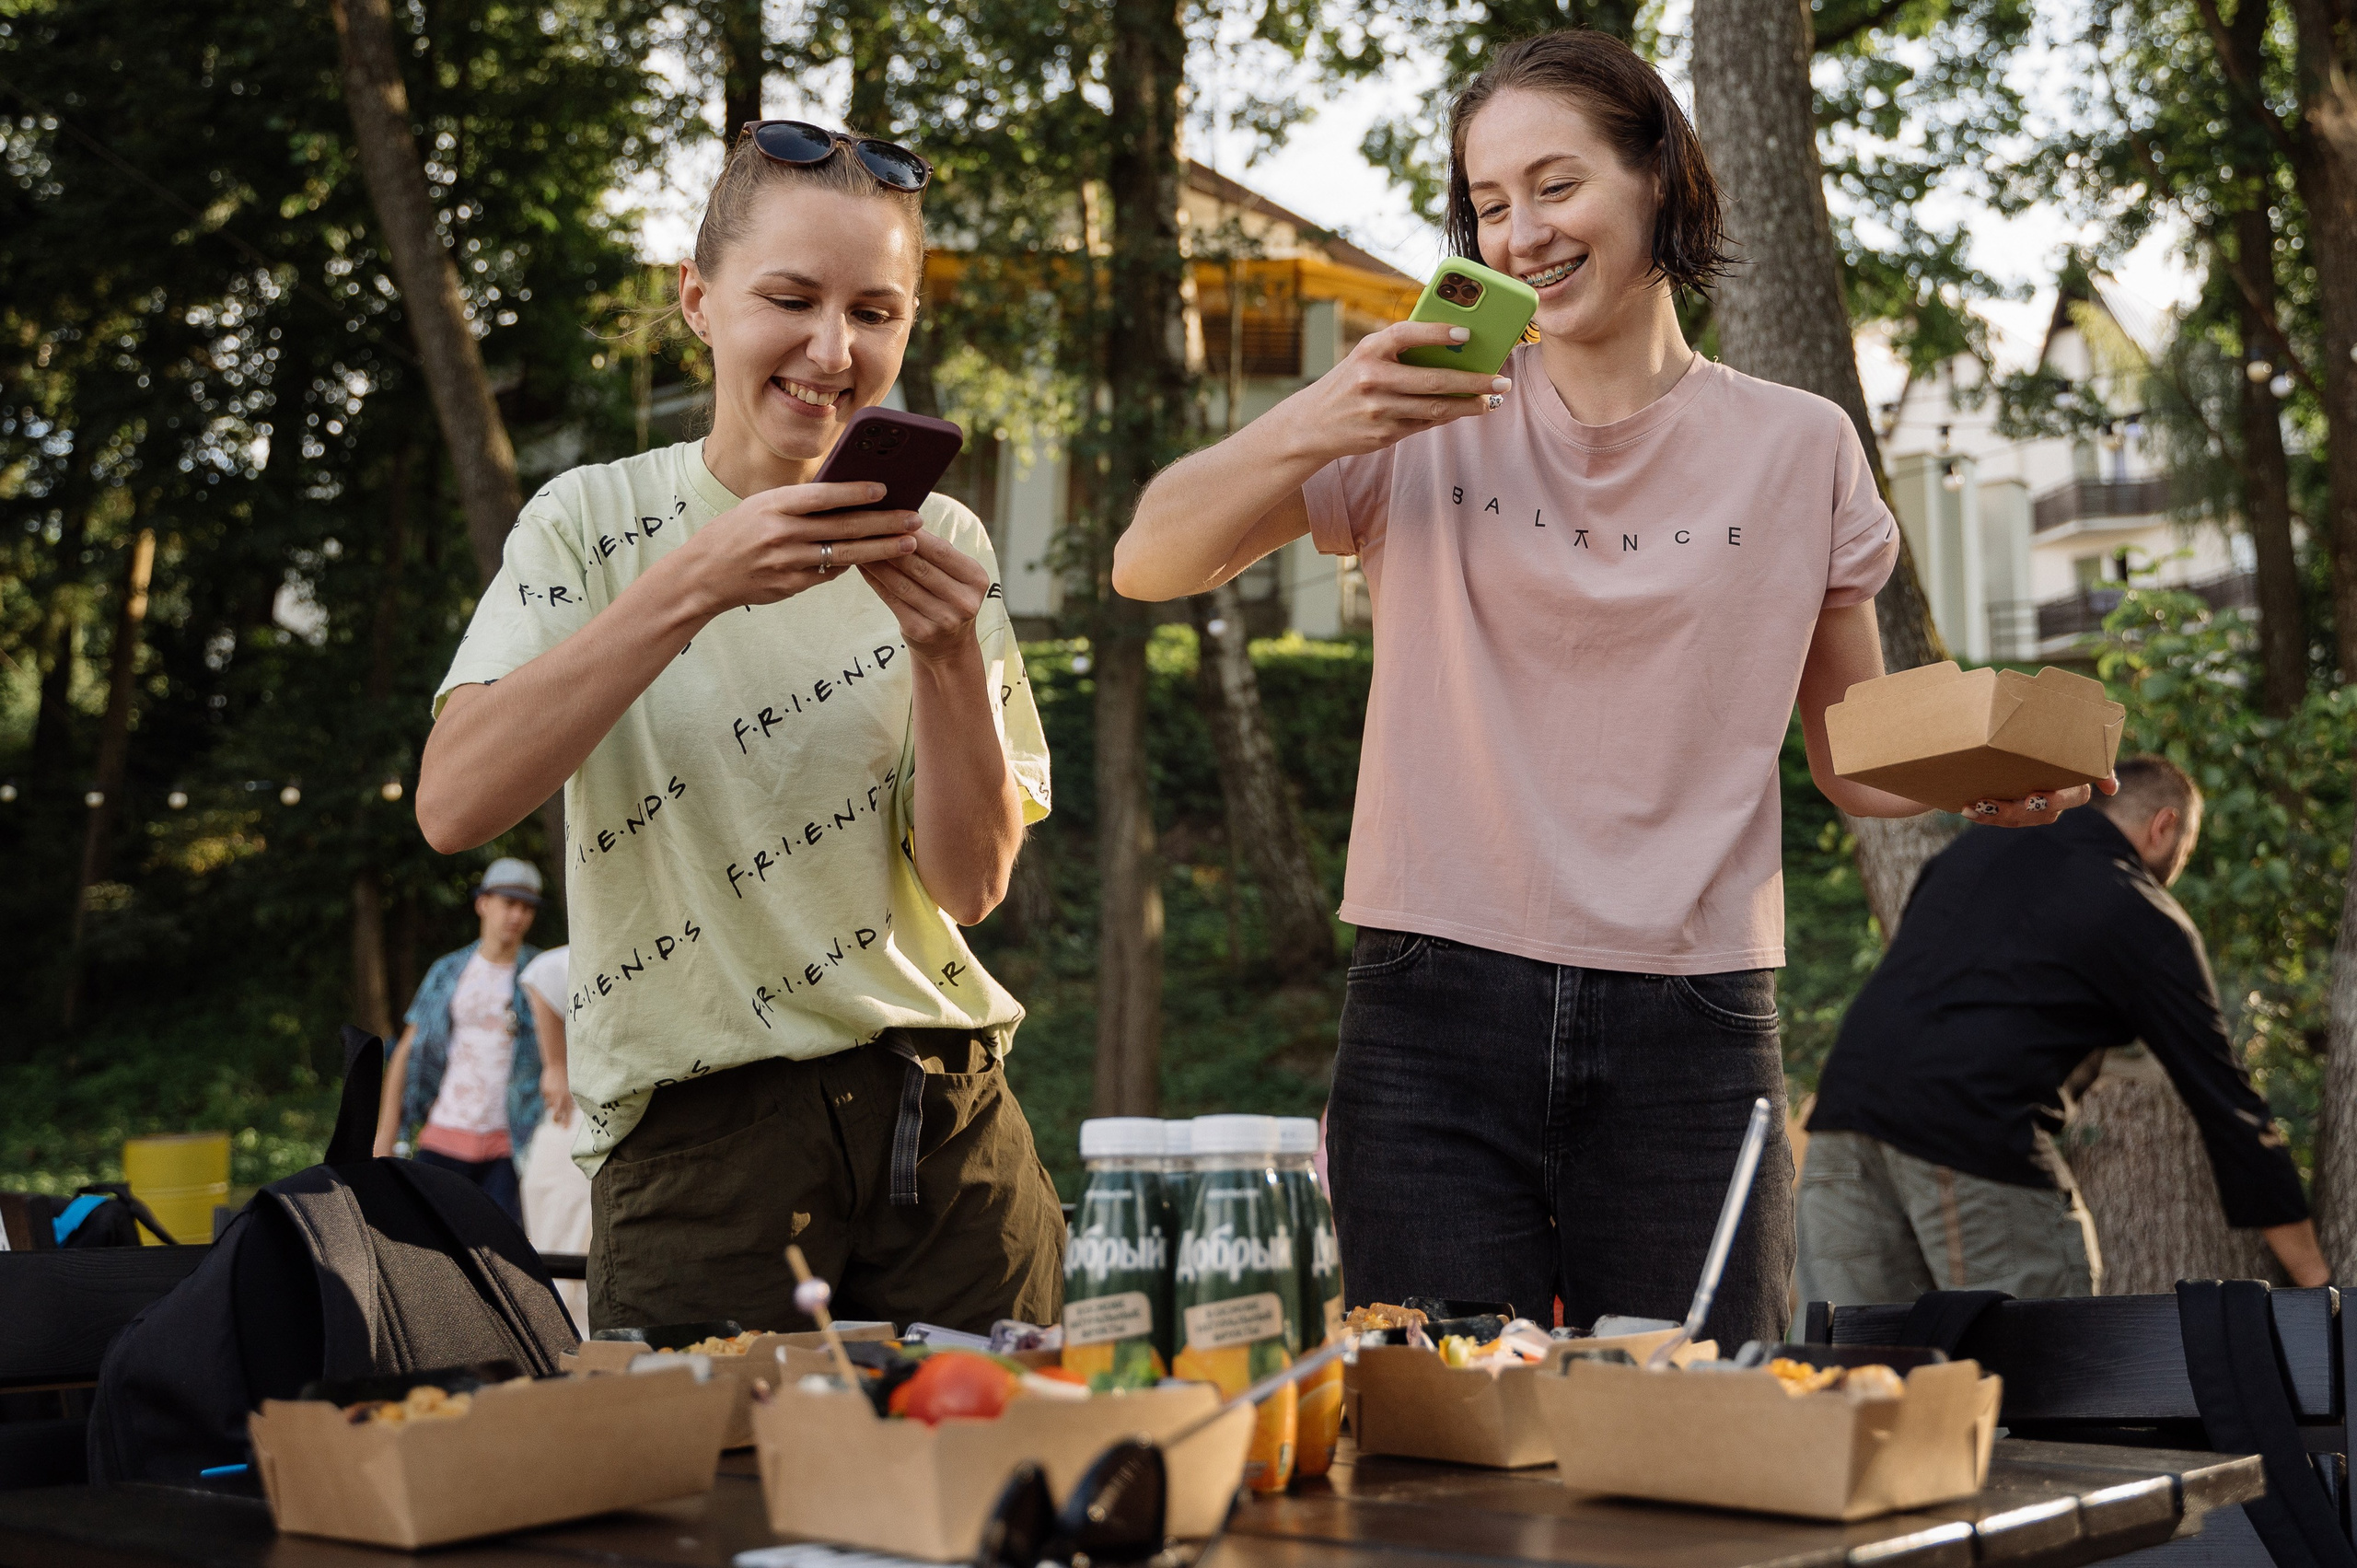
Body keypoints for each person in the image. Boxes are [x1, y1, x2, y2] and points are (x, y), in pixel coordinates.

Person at [1111, 30, 2100, 1346]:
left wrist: (1984, 774)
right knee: (1438, 1452)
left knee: (1699, 1444)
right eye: (1489, 202)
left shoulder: (1800, 447)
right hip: (1431, 997)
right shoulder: (1415, 413)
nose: (1520, 230)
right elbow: (1148, 558)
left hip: (1693, 1020)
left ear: (1657, 179)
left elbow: (1851, 751)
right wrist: (1326, 412)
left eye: (1556, 184)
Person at [412, 121, 1062, 1335]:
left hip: (949, 1131)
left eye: (877, 310)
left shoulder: (946, 543)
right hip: (701, 1150)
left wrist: (942, 657)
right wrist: (694, 582)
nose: (834, 349)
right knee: (704, 1516)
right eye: (791, 298)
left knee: (1002, 1515)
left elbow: (971, 884)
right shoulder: (587, 522)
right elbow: (454, 804)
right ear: (698, 299)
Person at [1798, 756, 2328, 1301]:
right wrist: (2318, 1285)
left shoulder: (1975, 851)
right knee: (2047, 1369)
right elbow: (2228, 1106)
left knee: (1848, 1368)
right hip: (1968, 1130)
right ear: (2163, 826)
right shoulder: (2141, 912)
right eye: (2185, 851)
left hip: (1842, 1120)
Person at [372, 857, 546, 1223]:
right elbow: (408, 1052)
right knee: (431, 1255)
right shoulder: (449, 970)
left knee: (504, 1262)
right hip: (444, 1138)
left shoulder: (539, 975)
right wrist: (385, 1139)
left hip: (510, 1146)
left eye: (527, 907)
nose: (517, 915)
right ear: (483, 903)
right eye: (509, 903)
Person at [519, 944, 591, 1328]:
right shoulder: (590, 946)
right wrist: (556, 1065)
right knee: (560, 1234)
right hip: (576, 1119)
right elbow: (544, 973)